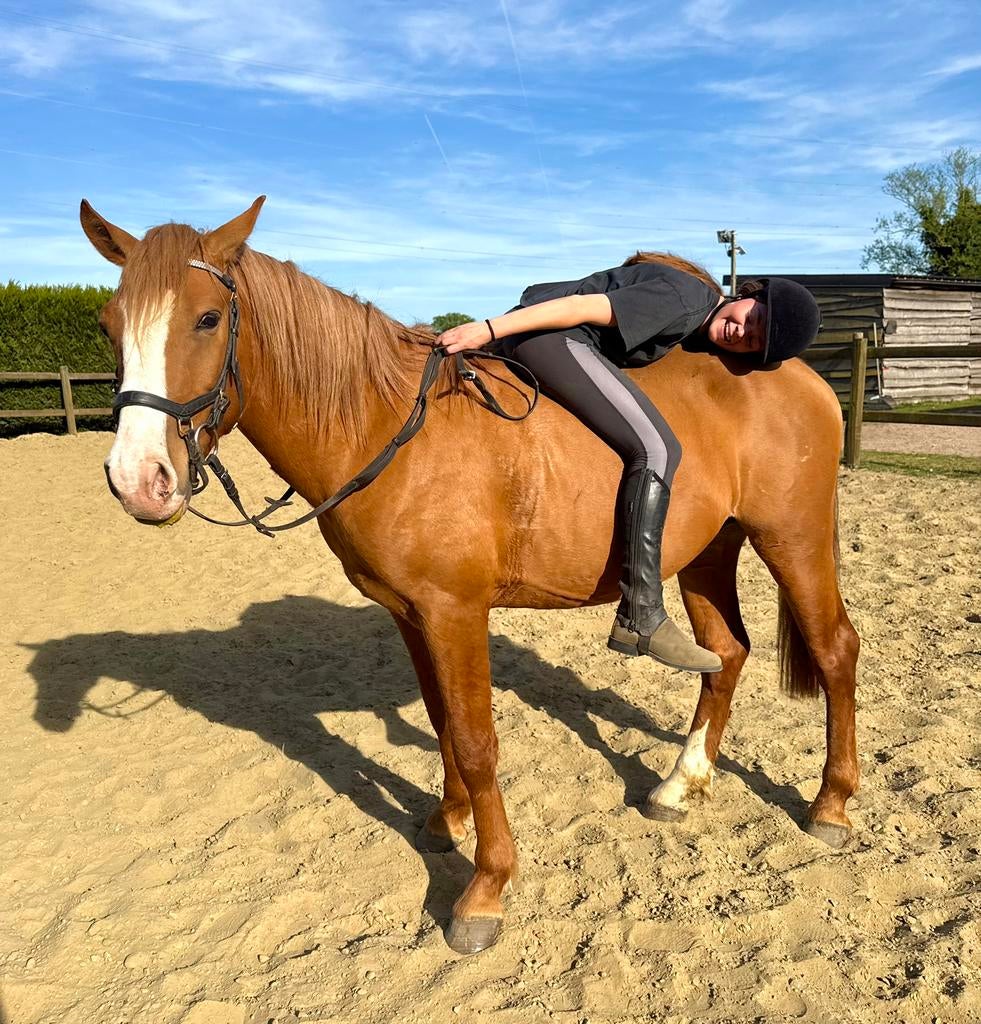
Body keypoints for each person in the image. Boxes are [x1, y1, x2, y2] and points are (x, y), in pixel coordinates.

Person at [437, 252, 821, 673]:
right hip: (553, 339)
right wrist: (487, 329)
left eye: (753, 341)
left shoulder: (695, 312)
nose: (742, 332)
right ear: (751, 294)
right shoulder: (687, 298)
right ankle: (641, 613)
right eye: (754, 318)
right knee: (658, 449)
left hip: (551, 339)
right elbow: (581, 307)